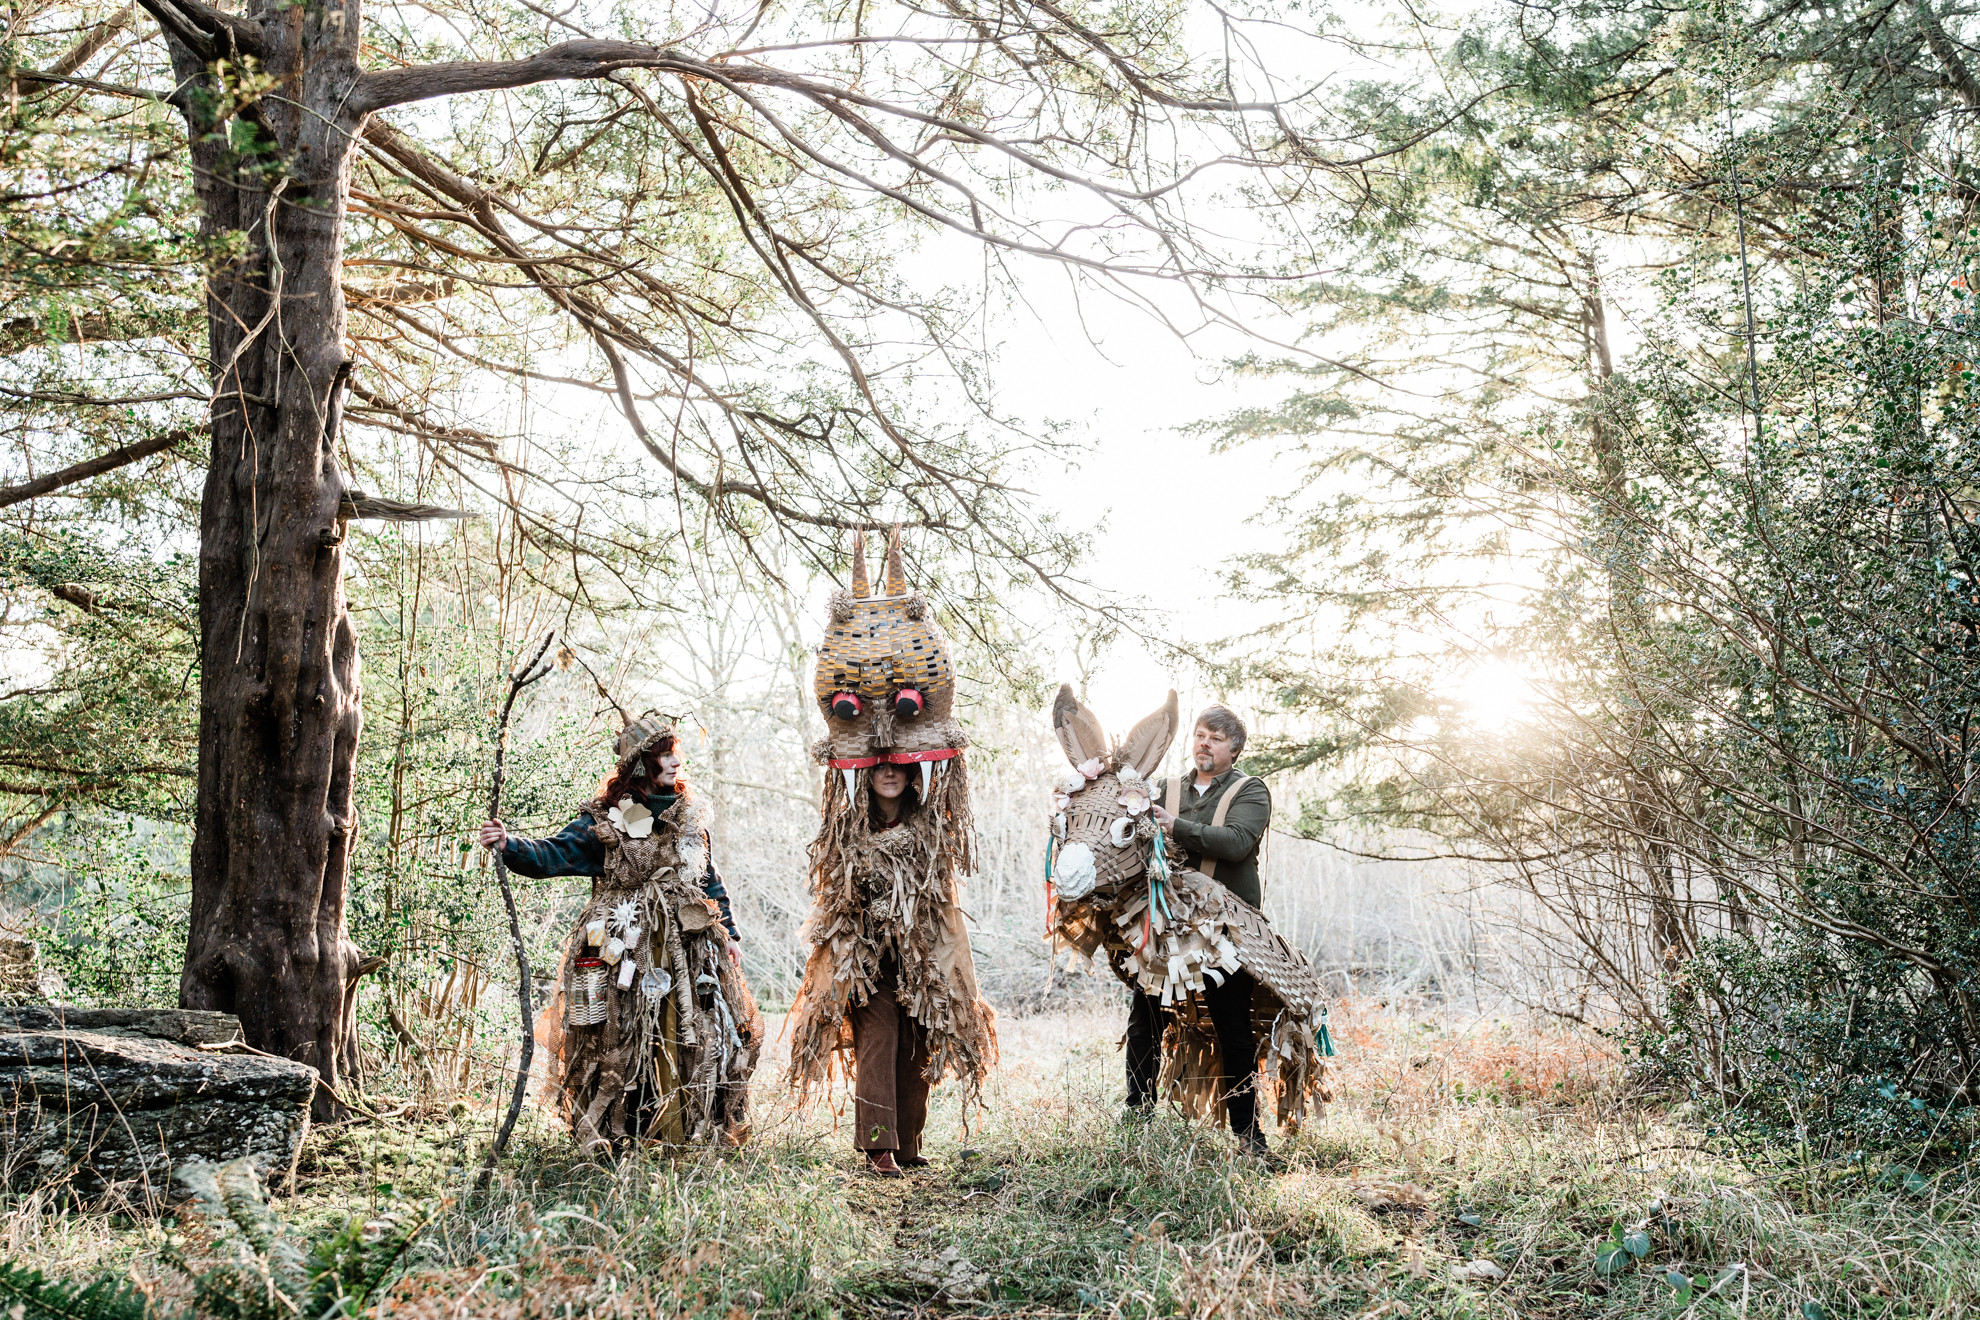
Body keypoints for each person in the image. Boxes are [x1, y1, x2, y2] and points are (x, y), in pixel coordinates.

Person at [785, 527, 997, 1177]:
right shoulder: (848, 817)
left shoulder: (928, 819)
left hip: (923, 945)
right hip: (864, 949)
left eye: (899, 771)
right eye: (880, 770)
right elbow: (838, 858)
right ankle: (877, 1144)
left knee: (918, 1038)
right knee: (878, 1034)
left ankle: (908, 1143)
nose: (889, 775)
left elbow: (948, 773)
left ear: (909, 776)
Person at [479, 714, 758, 1150]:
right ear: (642, 764)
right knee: (623, 1035)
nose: (675, 762)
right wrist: (510, 844)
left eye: (675, 753)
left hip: (689, 946)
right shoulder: (604, 821)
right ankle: (624, 1132)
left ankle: (684, 1130)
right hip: (626, 948)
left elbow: (709, 878)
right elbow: (554, 854)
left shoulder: (689, 816)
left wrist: (730, 934)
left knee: (690, 1028)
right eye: (665, 755)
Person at [1138, 703, 1274, 1155]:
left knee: (1233, 1027)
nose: (1203, 743)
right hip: (1168, 924)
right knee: (1146, 1019)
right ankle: (1136, 1121)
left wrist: (1175, 826)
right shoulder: (1165, 789)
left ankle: (1248, 1137)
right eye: (1199, 735)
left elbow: (1236, 843)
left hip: (1226, 929)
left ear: (1234, 750)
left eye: (1215, 738)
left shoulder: (1250, 791)